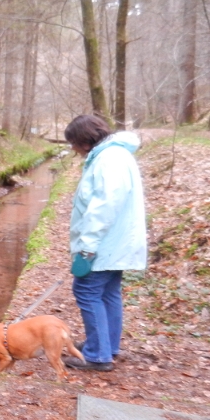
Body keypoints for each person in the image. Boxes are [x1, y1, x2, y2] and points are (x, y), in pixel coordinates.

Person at [62, 114, 147, 372]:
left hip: (104, 245)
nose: (72, 149)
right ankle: (105, 346)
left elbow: (104, 207)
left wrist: (86, 248)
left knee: (87, 292)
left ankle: (98, 355)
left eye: (72, 143)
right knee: (108, 293)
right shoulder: (114, 155)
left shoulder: (109, 160)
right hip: (113, 244)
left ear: (83, 141)